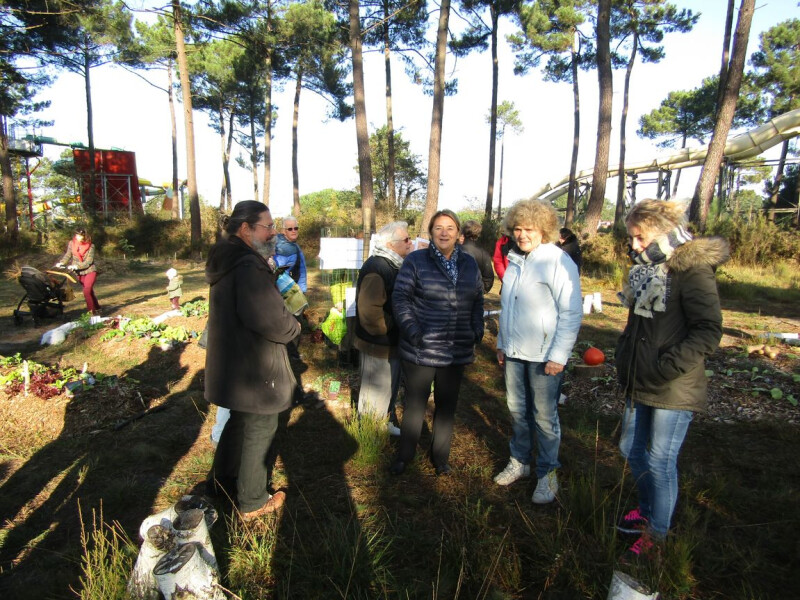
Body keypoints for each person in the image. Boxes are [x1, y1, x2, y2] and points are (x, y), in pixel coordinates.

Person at [615, 199, 727, 558]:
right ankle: (648, 511)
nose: (634, 246)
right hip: (640, 377)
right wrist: (625, 357)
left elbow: (708, 331)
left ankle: (657, 534)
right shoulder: (646, 270)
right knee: (632, 450)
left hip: (671, 383)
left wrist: (665, 366)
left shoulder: (692, 270)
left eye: (640, 238)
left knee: (660, 459)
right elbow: (638, 325)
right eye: (632, 238)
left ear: (663, 233)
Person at [204, 201, 301, 520]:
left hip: (235, 361)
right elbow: (270, 319)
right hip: (255, 364)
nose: (273, 233)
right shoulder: (247, 266)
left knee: (239, 421)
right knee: (261, 424)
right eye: (268, 226)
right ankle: (253, 500)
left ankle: (220, 483)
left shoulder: (228, 257)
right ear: (245, 228)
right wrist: (294, 326)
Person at [494, 199, 582, 504]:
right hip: (515, 353)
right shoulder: (515, 260)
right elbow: (508, 307)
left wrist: (560, 355)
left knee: (544, 417)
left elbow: (571, 312)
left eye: (528, 228)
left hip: (545, 356)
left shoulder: (557, 261)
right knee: (517, 411)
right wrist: (502, 343)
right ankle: (520, 461)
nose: (522, 234)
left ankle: (547, 473)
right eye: (517, 229)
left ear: (542, 229)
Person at [390, 209, 484, 476]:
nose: (444, 232)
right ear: (430, 233)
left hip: (456, 349)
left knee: (446, 406)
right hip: (421, 347)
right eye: (439, 228)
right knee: (415, 405)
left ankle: (440, 458)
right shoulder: (416, 261)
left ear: (459, 234)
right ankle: (405, 456)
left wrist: (477, 327)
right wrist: (413, 331)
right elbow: (401, 299)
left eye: (450, 228)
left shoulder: (468, 264)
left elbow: (477, 299)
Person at [354, 221, 413, 436]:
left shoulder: (391, 264)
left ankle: (381, 423)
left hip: (389, 341)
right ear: (390, 244)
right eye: (406, 240)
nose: (410, 243)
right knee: (374, 391)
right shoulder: (378, 268)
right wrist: (390, 330)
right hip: (377, 344)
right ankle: (370, 434)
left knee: (388, 388)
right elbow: (369, 313)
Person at [56, 228, 101, 315]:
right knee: (89, 291)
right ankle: (98, 307)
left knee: (86, 291)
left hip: (90, 270)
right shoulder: (71, 243)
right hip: (79, 273)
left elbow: (88, 262)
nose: (78, 237)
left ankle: (91, 312)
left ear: (84, 236)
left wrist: (76, 266)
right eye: (76, 235)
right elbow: (68, 255)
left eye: (80, 236)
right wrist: (62, 263)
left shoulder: (91, 246)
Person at [460, 220, 494, 293]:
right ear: (478, 234)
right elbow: (488, 279)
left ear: (463, 232)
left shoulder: (453, 250)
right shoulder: (484, 254)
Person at [275, 216, 307, 292]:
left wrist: (302, 290)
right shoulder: (280, 249)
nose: (294, 231)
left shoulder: (294, 246)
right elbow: (279, 276)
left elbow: (301, 270)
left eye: (296, 228)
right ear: (283, 231)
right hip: (285, 293)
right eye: (290, 229)